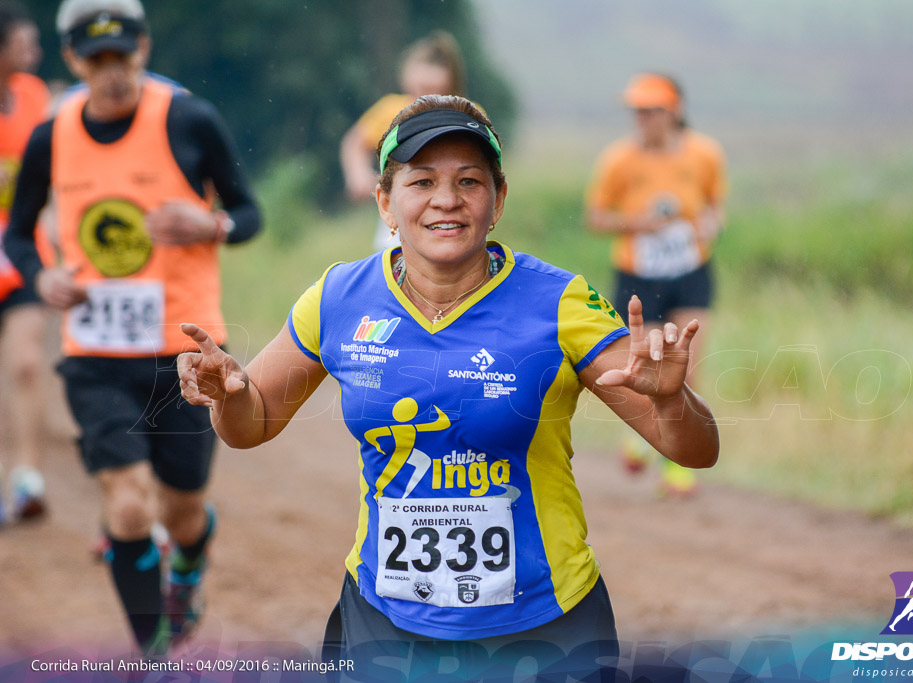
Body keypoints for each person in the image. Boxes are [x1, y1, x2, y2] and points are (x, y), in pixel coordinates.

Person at [178, 95, 718, 679]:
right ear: (385, 201)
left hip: (544, 625)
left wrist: (671, 397)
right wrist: (230, 395)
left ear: (498, 199)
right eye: (422, 181)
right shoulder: (338, 297)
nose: (446, 200)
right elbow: (251, 425)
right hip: (384, 623)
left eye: (469, 181)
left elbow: (695, 449)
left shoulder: (557, 302)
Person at [3, 0, 261, 654]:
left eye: (125, 56)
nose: (113, 73)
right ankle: (154, 650)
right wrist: (41, 278)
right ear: (73, 60)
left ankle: (190, 558)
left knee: (180, 510)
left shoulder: (190, 120)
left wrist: (213, 225)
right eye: (97, 60)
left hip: (184, 354)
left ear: (144, 50)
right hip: (95, 352)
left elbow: (248, 211)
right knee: (127, 506)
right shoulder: (50, 136)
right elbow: (20, 230)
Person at [586, 73, 727, 498]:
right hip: (639, 276)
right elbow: (595, 217)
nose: (643, 117)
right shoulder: (618, 160)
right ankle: (642, 437)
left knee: (688, 368)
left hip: (691, 270)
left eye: (652, 109)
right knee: (651, 367)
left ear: (675, 110)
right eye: (638, 110)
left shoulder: (705, 154)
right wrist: (638, 224)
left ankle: (678, 467)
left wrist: (707, 225)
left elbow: (716, 206)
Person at [339, 30, 467, 251]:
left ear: (450, 83)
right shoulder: (392, 109)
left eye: (432, 91)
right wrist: (357, 173)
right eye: (417, 91)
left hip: (453, 206)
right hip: (400, 210)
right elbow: (355, 143)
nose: (421, 99)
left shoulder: (466, 114)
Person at [0, 1, 52, 524]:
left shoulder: (36, 98)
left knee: (26, 362)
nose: (34, 51)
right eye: (24, 42)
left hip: (22, 247)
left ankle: (27, 478)